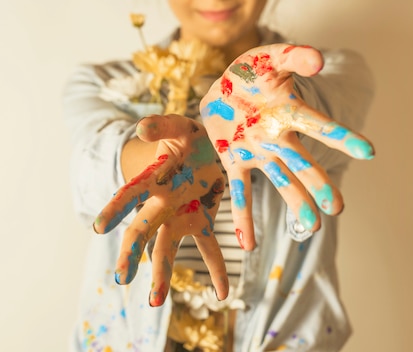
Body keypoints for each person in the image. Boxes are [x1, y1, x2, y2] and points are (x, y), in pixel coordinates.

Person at [62, 0, 375, 351]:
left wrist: (272, 111)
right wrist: (167, 160)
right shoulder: (103, 83)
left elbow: (327, 111)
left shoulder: (334, 74)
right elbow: (92, 166)